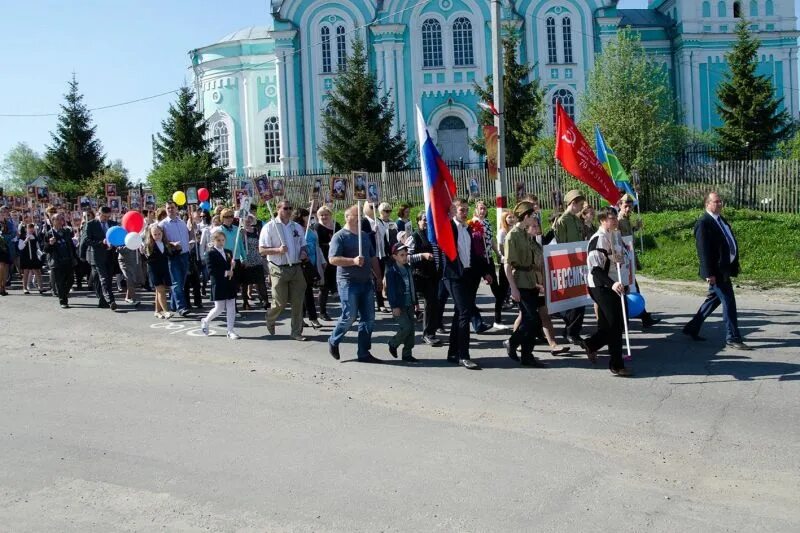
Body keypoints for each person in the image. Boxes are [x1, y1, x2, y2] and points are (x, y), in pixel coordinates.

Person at [683, 192, 751, 350]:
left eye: (721, 201)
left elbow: (727, 241)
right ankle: (732, 337)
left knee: (713, 300)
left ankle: (692, 328)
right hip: (716, 272)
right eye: (716, 201)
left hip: (724, 269)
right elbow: (703, 250)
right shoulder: (704, 223)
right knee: (728, 302)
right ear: (707, 204)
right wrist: (709, 274)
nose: (720, 204)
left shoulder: (720, 220)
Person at [327, 205, 383, 362]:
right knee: (349, 316)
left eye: (360, 215)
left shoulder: (364, 236)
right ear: (347, 217)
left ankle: (364, 352)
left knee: (369, 318)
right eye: (356, 215)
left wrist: (378, 277)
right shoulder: (339, 237)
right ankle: (333, 340)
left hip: (366, 282)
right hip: (348, 282)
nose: (359, 217)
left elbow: (372, 257)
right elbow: (332, 259)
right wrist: (352, 261)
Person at [583, 207, 633, 376]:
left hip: (617, 285)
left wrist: (626, 281)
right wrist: (612, 284)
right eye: (611, 218)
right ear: (602, 220)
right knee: (615, 324)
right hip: (602, 287)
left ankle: (591, 344)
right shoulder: (598, 240)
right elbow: (595, 270)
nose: (615, 220)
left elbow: (621, 261)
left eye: (615, 217)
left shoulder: (615, 236)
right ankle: (617, 364)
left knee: (609, 325)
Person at [444, 199, 492, 370]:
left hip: (469, 275)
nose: (464, 213)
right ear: (453, 211)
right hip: (453, 276)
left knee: (459, 314)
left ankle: (452, 352)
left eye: (466, 210)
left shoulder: (470, 228)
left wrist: (486, 272)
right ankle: (464, 355)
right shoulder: (448, 228)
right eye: (461, 210)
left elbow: (476, 253)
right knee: (465, 312)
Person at [503, 202, 547, 367]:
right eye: (533, 216)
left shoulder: (526, 234)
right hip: (520, 279)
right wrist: (513, 288)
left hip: (530, 280)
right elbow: (507, 264)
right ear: (526, 216)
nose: (535, 219)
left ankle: (527, 355)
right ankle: (512, 343)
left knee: (531, 319)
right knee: (532, 319)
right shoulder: (512, 235)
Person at [259, 199, 309, 341]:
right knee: (280, 302)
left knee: (298, 302)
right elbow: (262, 250)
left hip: (296, 267)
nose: (288, 211)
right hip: (278, 268)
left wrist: (303, 253)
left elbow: (303, 244)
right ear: (278, 209)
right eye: (285, 208)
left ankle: (296, 331)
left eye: (290, 208)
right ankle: (270, 317)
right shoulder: (269, 227)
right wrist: (278, 250)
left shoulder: (297, 227)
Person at [617, 194, 659, 328]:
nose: (628, 208)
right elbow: (620, 239)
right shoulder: (618, 220)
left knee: (634, 289)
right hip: (623, 261)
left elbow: (628, 235)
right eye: (626, 206)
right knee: (629, 289)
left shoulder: (626, 219)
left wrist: (635, 227)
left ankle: (644, 317)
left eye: (630, 206)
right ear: (620, 205)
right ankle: (632, 319)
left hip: (629, 259)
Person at [553, 189, 587, 345]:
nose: (582, 208)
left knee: (580, 300)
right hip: (568, 265)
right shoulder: (562, 221)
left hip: (579, 263)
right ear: (572, 203)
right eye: (580, 205)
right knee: (572, 302)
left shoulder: (576, 219)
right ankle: (570, 331)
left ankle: (573, 331)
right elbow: (560, 246)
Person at [409, 212, 444, 346]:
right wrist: (422, 255)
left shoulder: (434, 236)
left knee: (434, 304)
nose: (426, 223)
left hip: (435, 275)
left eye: (429, 220)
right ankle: (428, 334)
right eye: (424, 220)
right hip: (421, 275)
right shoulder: (414, 237)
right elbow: (406, 257)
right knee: (429, 304)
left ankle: (432, 331)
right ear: (418, 222)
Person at [200, 230, 240, 339]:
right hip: (218, 283)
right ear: (213, 241)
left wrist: (233, 265)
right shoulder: (209, 253)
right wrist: (226, 272)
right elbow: (211, 271)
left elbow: (230, 267)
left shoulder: (228, 252)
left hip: (229, 282)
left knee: (231, 305)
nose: (221, 242)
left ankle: (230, 330)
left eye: (223, 240)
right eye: (218, 240)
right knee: (219, 307)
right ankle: (206, 320)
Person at [472, 201, 505, 328]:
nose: (483, 211)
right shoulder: (472, 223)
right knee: (473, 289)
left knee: (495, 287)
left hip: (488, 258)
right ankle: (473, 315)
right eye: (481, 208)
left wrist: (497, 253)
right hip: (478, 260)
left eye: (484, 209)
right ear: (476, 209)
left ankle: (498, 318)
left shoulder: (486, 222)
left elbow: (491, 240)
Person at [385, 242, 420, 363]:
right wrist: (394, 306)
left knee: (411, 330)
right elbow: (391, 291)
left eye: (406, 254)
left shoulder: (408, 268)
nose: (405, 257)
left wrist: (416, 302)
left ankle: (407, 354)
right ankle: (393, 343)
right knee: (406, 327)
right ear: (395, 256)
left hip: (409, 303)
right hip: (399, 305)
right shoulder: (392, 272)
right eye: (401, 255)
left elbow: (412, 286)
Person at [158, 201, 191, 316]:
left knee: (181, 282)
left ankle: (173, 305)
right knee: (176, 282)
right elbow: (160, 240)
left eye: (172, 208)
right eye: (168, 208)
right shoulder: (162, 224)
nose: (170, 210)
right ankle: (181, 307)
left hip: (185, 254)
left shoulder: (182, 222)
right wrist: (171, 244)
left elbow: (188, 236)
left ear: (177, 209)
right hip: (173, 256)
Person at [83, 206, 118, 310]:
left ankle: (103, 301)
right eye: (104, 216)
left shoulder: (113, 224)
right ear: (98, 214)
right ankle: (111, 300)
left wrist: (116, 244)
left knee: (107, 278)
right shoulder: (91, 224)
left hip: (110, 256)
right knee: (104, 278)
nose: (106, 219)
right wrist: (101, 243)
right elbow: (86, 240)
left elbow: (117, 238)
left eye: (108, 216)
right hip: (97, 256)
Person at [295, 208, 324, 328]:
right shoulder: (296, 229)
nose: (309, 218)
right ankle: (309, 318)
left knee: (307, 292)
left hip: (312, 263)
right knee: (305, 293)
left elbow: (317, 246)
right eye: (307, 216)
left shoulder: (311, 230)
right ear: (301, 217)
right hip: (301, 264)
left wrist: (322, 260)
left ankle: (306, 318)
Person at [43, 213, 76, 309]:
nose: (59, 221)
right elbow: (45, 250)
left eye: (61, 219)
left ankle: (62, 294)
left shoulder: (66, 232)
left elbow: (70, 245)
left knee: (70, 280)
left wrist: (74, 256)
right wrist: (50, 244)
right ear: (52, 221)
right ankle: (63, 301)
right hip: (57, 261)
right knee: (60, 282)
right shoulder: (49, 234)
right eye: (57, 219)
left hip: (68, 260)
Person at [315, 205, 341, 321]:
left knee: (338, 284)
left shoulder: (336, 225)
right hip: (323, 259)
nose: (324, 216)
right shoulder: (316, 227)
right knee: (323, 287)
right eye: (321, 215)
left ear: (330, 215)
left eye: (326, 214)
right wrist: (327, 244)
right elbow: (316, 244)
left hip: (336, 258)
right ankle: (322, 311)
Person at [144, 224, 174, 319]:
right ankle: (166, 311)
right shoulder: (149, 245)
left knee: (159, 291)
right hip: (154, 270)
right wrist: (145, 252)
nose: (157, 236)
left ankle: (157, 311)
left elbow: (169, 255)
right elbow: (147, 258)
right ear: (151, 235)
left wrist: (176, 247)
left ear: (162, 233)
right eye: (155, 234)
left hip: (164, 269)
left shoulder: (165, 243)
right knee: (161, 290)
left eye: (159, 234)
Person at [240, 214, 269, 311]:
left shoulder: (256, 230)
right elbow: (239, 246)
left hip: (256, 258)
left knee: (261, 281)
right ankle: (245, 302)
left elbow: (260, 242)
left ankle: (265, 300)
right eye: (246, 219)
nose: (248, 221)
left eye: (249, 219)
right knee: (245, 282)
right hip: (246, 258)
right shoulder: (240, 232)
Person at [18, 223, 46, 294]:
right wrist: (26, 240)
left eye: (32, 228)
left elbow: (37, 247)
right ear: (25, 229)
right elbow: (20, 247)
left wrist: (40, 254)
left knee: (37, 271)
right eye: (29, 228)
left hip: (33, 256)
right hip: (26, 256)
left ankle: (41, 287)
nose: (31, 229)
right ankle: (25, 288)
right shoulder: (22, 237)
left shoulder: (34, 236)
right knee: (26, 272)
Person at [117, 241, 142, 307]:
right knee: (129, 279)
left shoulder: (136, 235)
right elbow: (118, 249)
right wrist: (130, 246)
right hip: (124, 261)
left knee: (132, 280)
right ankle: (134, 299)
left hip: (134, 260)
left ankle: (127, 297)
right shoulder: (122, 235)